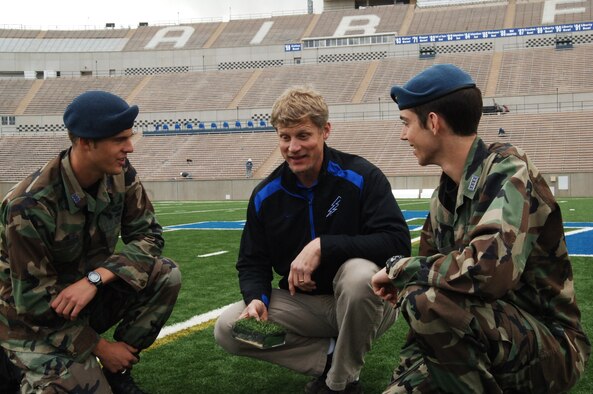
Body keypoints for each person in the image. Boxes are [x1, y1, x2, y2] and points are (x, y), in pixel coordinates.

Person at [371, 64, 591, 393]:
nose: (404, 135)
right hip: (486, 335)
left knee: (422, 296)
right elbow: (437, 302)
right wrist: (403, 379)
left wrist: (400, 269)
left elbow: (488, 273)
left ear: (433, 122)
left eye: (406, 124)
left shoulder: (509, 170)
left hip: (550, 347)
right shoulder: (443, 199)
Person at [214, 86, 411, 394]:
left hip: (366, 302)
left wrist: (323, 245)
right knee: (228, 328)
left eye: (303, 135)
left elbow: (397, 243)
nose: (293, 147)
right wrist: (256, 299)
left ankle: (340, 383)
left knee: (359, 275)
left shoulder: (361, 176)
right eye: (285, 137)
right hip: (305, 308)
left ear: (325, 131)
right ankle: (329, 356)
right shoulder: (266, 195)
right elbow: (253, 261)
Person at [0, 90, 182, 394]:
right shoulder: (29, 205)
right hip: (29, 321)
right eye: (120, 140)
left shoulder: (121, 175)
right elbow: (32, 303)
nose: (130, 148)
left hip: (84, 298)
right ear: (86, 142)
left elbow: (150, 236)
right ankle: (14, 366)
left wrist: (96, 279)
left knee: (166, 275)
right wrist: (100, 347)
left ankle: (117, 373)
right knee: (78, 387)